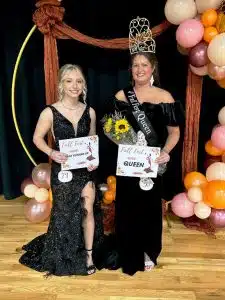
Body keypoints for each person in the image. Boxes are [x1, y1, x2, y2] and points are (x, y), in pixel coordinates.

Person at [104, 17, 184, 275]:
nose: (139, 69)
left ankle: (149, 249)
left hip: (152, 164)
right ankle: (129, 248)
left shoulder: (165, 97)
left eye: (144, 65)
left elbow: (174, 133)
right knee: (127, 208)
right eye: (135, 65)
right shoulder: (120, 96)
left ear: (153, 68)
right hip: (128, 162)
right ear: (131, 69)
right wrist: (121, 141)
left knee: (149, 208)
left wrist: (165, 153)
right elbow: (109, 129)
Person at [19, 64, 104, 276]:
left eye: (79, 81)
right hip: (63, 169)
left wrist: (94, 159)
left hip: (85, 170)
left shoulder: (90, 111)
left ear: (83, 85)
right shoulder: (50, 112)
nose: (74, 86)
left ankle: (89, 254)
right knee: (65, 213)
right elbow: (36, 138)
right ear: (61, 85)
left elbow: (92, 140)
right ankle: (65, 249)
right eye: (69, 81)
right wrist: (51, 152)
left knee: (89, 209)